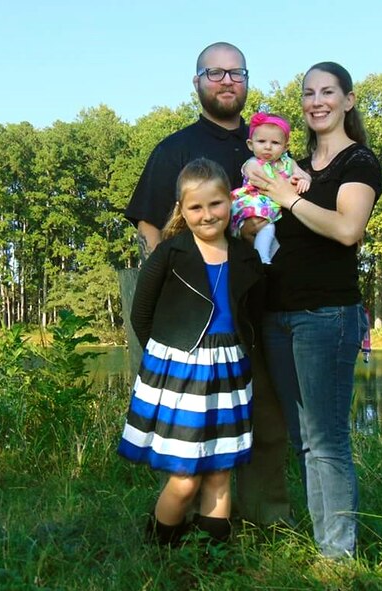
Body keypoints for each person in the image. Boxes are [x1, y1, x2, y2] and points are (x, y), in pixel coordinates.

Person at [124, 41, 291, 527]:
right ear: (196, 82)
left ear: (246, 81)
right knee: (189, 444)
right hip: (194, 328)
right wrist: (181, 280)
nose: (225, 81)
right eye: (213, 73)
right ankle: (180, 528)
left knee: (266, 428)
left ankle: (266, 523)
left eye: (235, 73)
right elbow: (149, 224)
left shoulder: (267, 144)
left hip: (259, 315)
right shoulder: (175, 148)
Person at [242, 61, 382, 559]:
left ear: (347, 100)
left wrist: (287, 199)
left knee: (327, 440)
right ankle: (327, 542)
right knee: (303, 438)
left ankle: (338, 555)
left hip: (327, 316)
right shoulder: (292, 164)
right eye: (308, 93)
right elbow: (253, 211)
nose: (317, 101)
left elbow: (348, 229)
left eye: (328, 91)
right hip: (277, 315)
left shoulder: (358, 162)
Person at [117, 158, 266, 545]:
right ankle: (159, 548)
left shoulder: (246, 256)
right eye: (195, 207)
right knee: (185, 478)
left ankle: (212, 557)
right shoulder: (170, 254)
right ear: (181, 210)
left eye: (215, 204)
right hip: (180, 372)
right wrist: (169, 355)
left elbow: (255, 312)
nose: (207, 215)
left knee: (220, 471)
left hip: (229, 369)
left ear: (229, 202)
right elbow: (142, 314)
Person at [230, 112, 311, 264]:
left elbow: (303, 174)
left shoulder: (289, 163)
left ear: (285, 147)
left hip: (273, 206)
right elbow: (263, 179)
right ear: (250, 144)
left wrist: (303, 180)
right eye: (261, 141)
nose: (268, 147)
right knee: (266, 228)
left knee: (272, 232)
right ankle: (262, 259)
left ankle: (264, 258)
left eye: (275, 143)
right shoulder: (252, 163)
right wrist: (289, 184)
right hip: (253, 203)